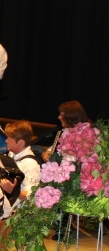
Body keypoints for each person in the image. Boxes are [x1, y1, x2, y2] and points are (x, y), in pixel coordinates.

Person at [40, 101, 90, 240]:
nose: (58, 117)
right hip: (64, 173)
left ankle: (63, 226)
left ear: (70, 116)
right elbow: (54, 149)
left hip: (80, 176)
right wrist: (46, 153)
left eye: (61, 114)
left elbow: (84, 158)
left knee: (63, 185)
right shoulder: (63, 133)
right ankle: (56, 223)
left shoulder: (86, 133)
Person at [0, 120, 41, 208]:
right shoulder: (11, 155)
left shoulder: (31, 164)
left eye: (9, 138)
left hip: (16, 211)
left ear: (21, 142)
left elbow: (31, 196)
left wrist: (14, 191)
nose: (6, 141)